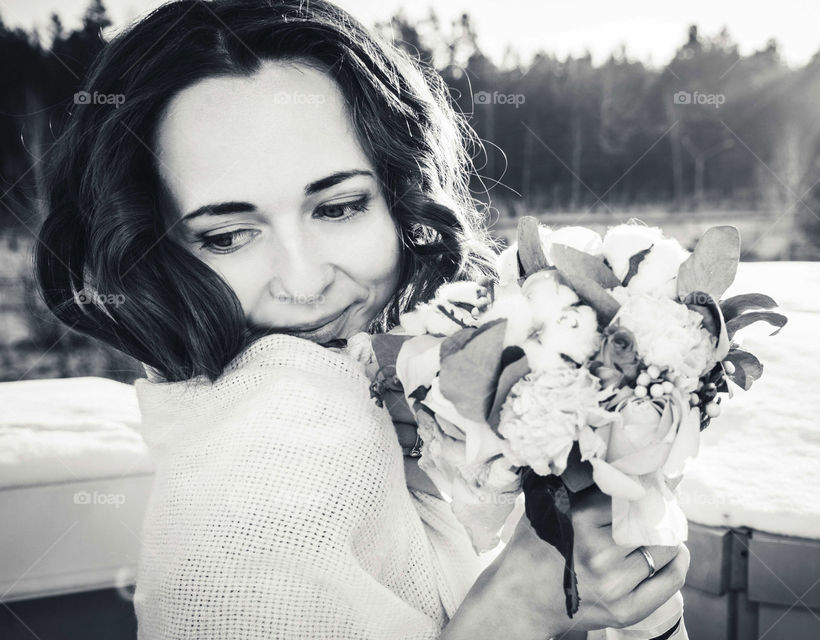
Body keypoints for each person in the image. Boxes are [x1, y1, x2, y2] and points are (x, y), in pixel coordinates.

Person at [34, 1, 689, 638]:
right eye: (229, 235)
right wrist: (519, 606)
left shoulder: (388, 381)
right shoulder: (270, 449)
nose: (304, 280)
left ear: (400, 196)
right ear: (153, 246)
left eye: (339, 207)